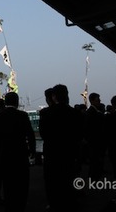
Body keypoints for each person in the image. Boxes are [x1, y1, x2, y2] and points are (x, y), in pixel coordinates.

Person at [39, 84, 83, 212]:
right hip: (70, 153)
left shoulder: (45, 113)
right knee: (70, 179)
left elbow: (43, 134)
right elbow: (80, 134)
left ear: (53, 97)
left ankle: (53, 204)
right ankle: (71, 202)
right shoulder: (75, 113)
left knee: (52, 181)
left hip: (52, 153)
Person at [0, 92, 36, 212]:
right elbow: (30, 135)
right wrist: (32, 150)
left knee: (8, 183)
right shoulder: (23, 115)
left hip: (5, 155)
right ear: (17, 102)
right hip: (20, 154)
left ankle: (9, 205)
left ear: (5, 102)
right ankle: (20, 205)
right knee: (22, 183)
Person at [84, 92, 107, 180]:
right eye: (98, 99)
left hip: (93, 141)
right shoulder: (93, 113)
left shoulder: (91, 112)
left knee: (94, 162)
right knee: (95, 161)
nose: (100, 101)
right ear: (92, 100)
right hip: (95, 141)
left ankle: (94, 177)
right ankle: (94, 179)